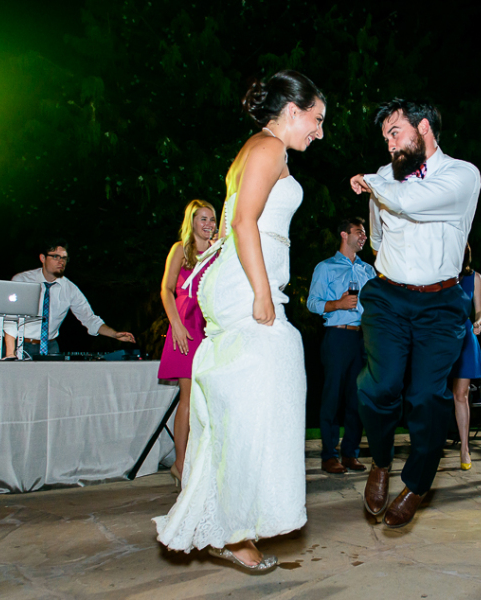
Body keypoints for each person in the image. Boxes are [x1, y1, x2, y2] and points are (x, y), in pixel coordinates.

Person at [154, 70, 325, 572]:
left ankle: (229, 524)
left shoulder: (265, 148)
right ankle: (233, 527)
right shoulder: (269, 147)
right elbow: (244, 220)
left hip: (244, 276)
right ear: (292, 111)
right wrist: (262, 292)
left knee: (246, 406)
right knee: (258, 404)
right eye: (316, 119)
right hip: (246, 283)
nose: (320, 131)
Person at [349, 98, 481, 528]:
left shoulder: (462, 175)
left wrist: (371, 181)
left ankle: (419, 483)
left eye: (394, 132)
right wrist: (376, 183)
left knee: (427, 397)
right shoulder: (384, 179)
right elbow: (379, 236)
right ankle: (382, 461)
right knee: (378, 386)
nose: (388, 144)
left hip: (441, 303)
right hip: (388, 296)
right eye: (385, 137)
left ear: (423, 127)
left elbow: (413, 203)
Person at [307, 217, 375, 474]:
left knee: (357, 399)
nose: (364, 237)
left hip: (362, 338)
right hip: (336, 337)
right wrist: (337, 304)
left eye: (365, 233)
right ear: (344, 235)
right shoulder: (325, 268)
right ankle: (328, 455)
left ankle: (350, 454)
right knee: (332, 398)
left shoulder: (368, 270)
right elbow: (312, 303)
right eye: (359, 232)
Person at [157, 199, 217, 487]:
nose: (209, 224)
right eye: (203, 219)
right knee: (188, 397)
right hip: (186, 324)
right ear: (192, 222)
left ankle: (204, 459)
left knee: (208, 398)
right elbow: (166, 290)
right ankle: (180, 463)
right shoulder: (181, 249)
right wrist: (176, 326)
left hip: (211, 325)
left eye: (213, 219)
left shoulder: (218, 251)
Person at [3, 238, 135, 357]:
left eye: (64, 258)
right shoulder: (22, 280)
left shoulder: (70, 288)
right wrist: (10, 353)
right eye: (56, 257)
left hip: (51, 347)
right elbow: (10, 319)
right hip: (20, 345)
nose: (61, 262)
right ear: (43, 258)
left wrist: (114, 334)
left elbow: (89, 319)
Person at [449, 243, 481, 471]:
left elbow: (479, 310)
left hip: (464, 336)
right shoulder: (440, 275)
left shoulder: (475, 278)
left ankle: (464, 448)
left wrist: (479, 322)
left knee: (460, 394)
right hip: (440, 336)